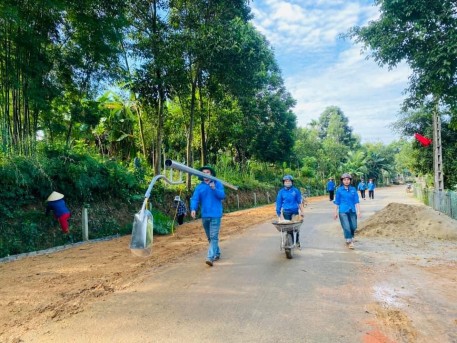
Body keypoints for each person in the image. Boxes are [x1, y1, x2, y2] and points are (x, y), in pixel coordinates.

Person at [190, 166, 225, 267]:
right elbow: (195, 199)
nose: (205, 174)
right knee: (210, 237)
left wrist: (214, 189)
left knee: (214, 236)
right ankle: (217, 253)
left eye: (207, 172)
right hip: (205, 215)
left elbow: (222, 195)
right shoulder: (199, 187)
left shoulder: (217, 184)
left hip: (216, 214)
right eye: (203, 172)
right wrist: (193, 209)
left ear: (211, 174)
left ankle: (210, 257)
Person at [275, 175, 304, 247]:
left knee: (296, 227)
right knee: (289, 228)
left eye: (289, 181)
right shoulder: (281, 192)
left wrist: (302, 212)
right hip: (286, 212)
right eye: (286, 181)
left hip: (295, 211)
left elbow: (299, 202)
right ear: (284, 182)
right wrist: (279, 214)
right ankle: (290, 241)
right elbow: (278, 203)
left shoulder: (295, 190)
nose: (287, 182)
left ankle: (297, 241)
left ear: (292, 182)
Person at [333, 173, 361, 249]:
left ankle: (349, 237)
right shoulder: (339, 190)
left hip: (352, 210)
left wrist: (358, 211)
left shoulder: (353, 189)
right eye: (344, 180)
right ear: (342, 181)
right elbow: (337, 202)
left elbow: (356, 201)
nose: (346, 181)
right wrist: (335, 212)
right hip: (343, 211)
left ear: (350, 181)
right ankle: (350, 241)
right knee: (346, 226)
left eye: (348, 179)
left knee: (354, 226)